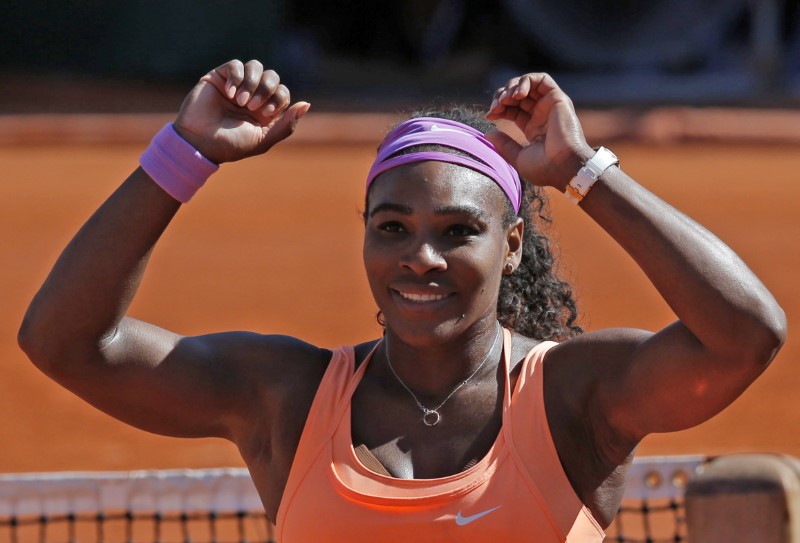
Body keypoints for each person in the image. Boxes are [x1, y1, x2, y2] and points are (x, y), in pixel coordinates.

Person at [18, 59, 786, 542]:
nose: (420, 256)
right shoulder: (285, 397)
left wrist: (583, 169)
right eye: (393, 227)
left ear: (511, 244)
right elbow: (65, 343)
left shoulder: (571, 398)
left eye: (458, 230)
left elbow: (744, 336)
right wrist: (181, 153)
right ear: (365, 236)